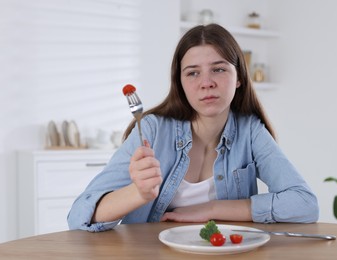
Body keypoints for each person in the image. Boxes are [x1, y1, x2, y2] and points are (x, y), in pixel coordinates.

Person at [67, 23, 319, 232]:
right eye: (192, 73)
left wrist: (210, 210)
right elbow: (79, 217)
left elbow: (305, 204)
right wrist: (139, 194)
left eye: (218, 69)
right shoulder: (152, 130)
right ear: (180, 83)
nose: (206, 83)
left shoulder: (251, 132)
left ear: (239, 77)